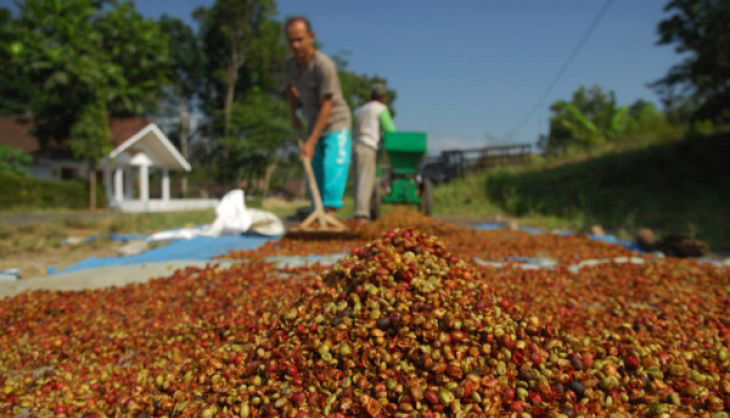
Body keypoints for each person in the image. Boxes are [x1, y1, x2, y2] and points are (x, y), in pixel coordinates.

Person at [283, 17, 352, 215]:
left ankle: (329, 210)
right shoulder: (289, 66)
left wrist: (311, 142)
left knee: (332, 164)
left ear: (310, 37)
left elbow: (327, 105)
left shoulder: (324, 65)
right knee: (314, 167)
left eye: (300, 39)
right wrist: (293, 115)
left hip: (335, 121)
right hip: (313, 121)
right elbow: (290, 90)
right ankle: (316, 209)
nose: (296, 45)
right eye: (291, 40)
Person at [352, 82, 395, 222]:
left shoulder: (360, 110)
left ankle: (360, 211)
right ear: (383, 97)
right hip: (368, 146)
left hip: (356, 146)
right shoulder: (381, 109)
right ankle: (362, 215)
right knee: (366, 180)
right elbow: (390, 130)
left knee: (358, 179)